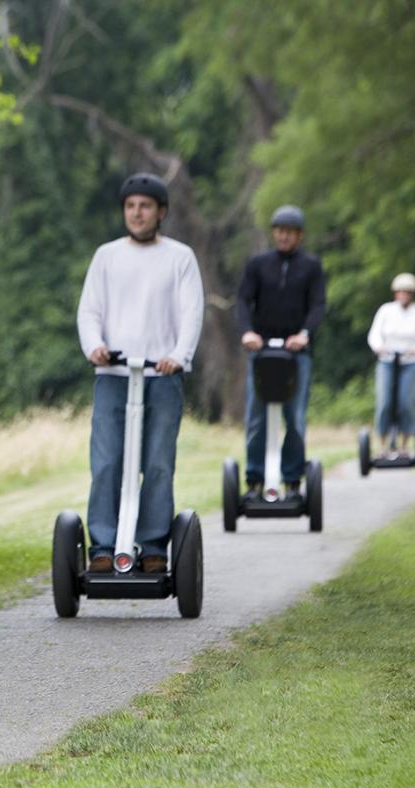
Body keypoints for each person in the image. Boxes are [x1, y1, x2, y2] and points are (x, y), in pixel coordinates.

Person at [77, 173, 204, 574]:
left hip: (162, 376)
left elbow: (191, 312)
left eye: (145, 206)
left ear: (161, 212)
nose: (137, 213)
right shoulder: (107, 256)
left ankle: (151, 547)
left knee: (159, 463)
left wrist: (178, 355)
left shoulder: (180, 257)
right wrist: (94, 346)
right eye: (131, 206)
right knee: (107, 462)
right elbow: (89, 311)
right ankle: (101, 546)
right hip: (113, 374)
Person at [235, 205, 326, 501]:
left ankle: (292, 481)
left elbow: (317, 306)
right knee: (256, 417)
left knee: (295, 418)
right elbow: (243, 300)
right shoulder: (258, 264)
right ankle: (254, 480)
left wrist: (304, 335)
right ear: (274, 233)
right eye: (279, 231)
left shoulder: (311, 266)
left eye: (289, 232)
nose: (284, 236)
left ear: (299, 235)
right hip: (262, 351)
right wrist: (248, 332)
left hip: (296, 353)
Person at [367, 272, 415, 456]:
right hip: (387, 360)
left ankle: (404, 445)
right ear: (395, 293)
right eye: (400, 292)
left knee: (406, 403)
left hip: (410, 362)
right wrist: (378, 347)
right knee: (384, 403)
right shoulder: (386, 310)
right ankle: (382, 446)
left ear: (413, 294)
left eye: (407, 292)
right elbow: (374, 334)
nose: (403, 295)